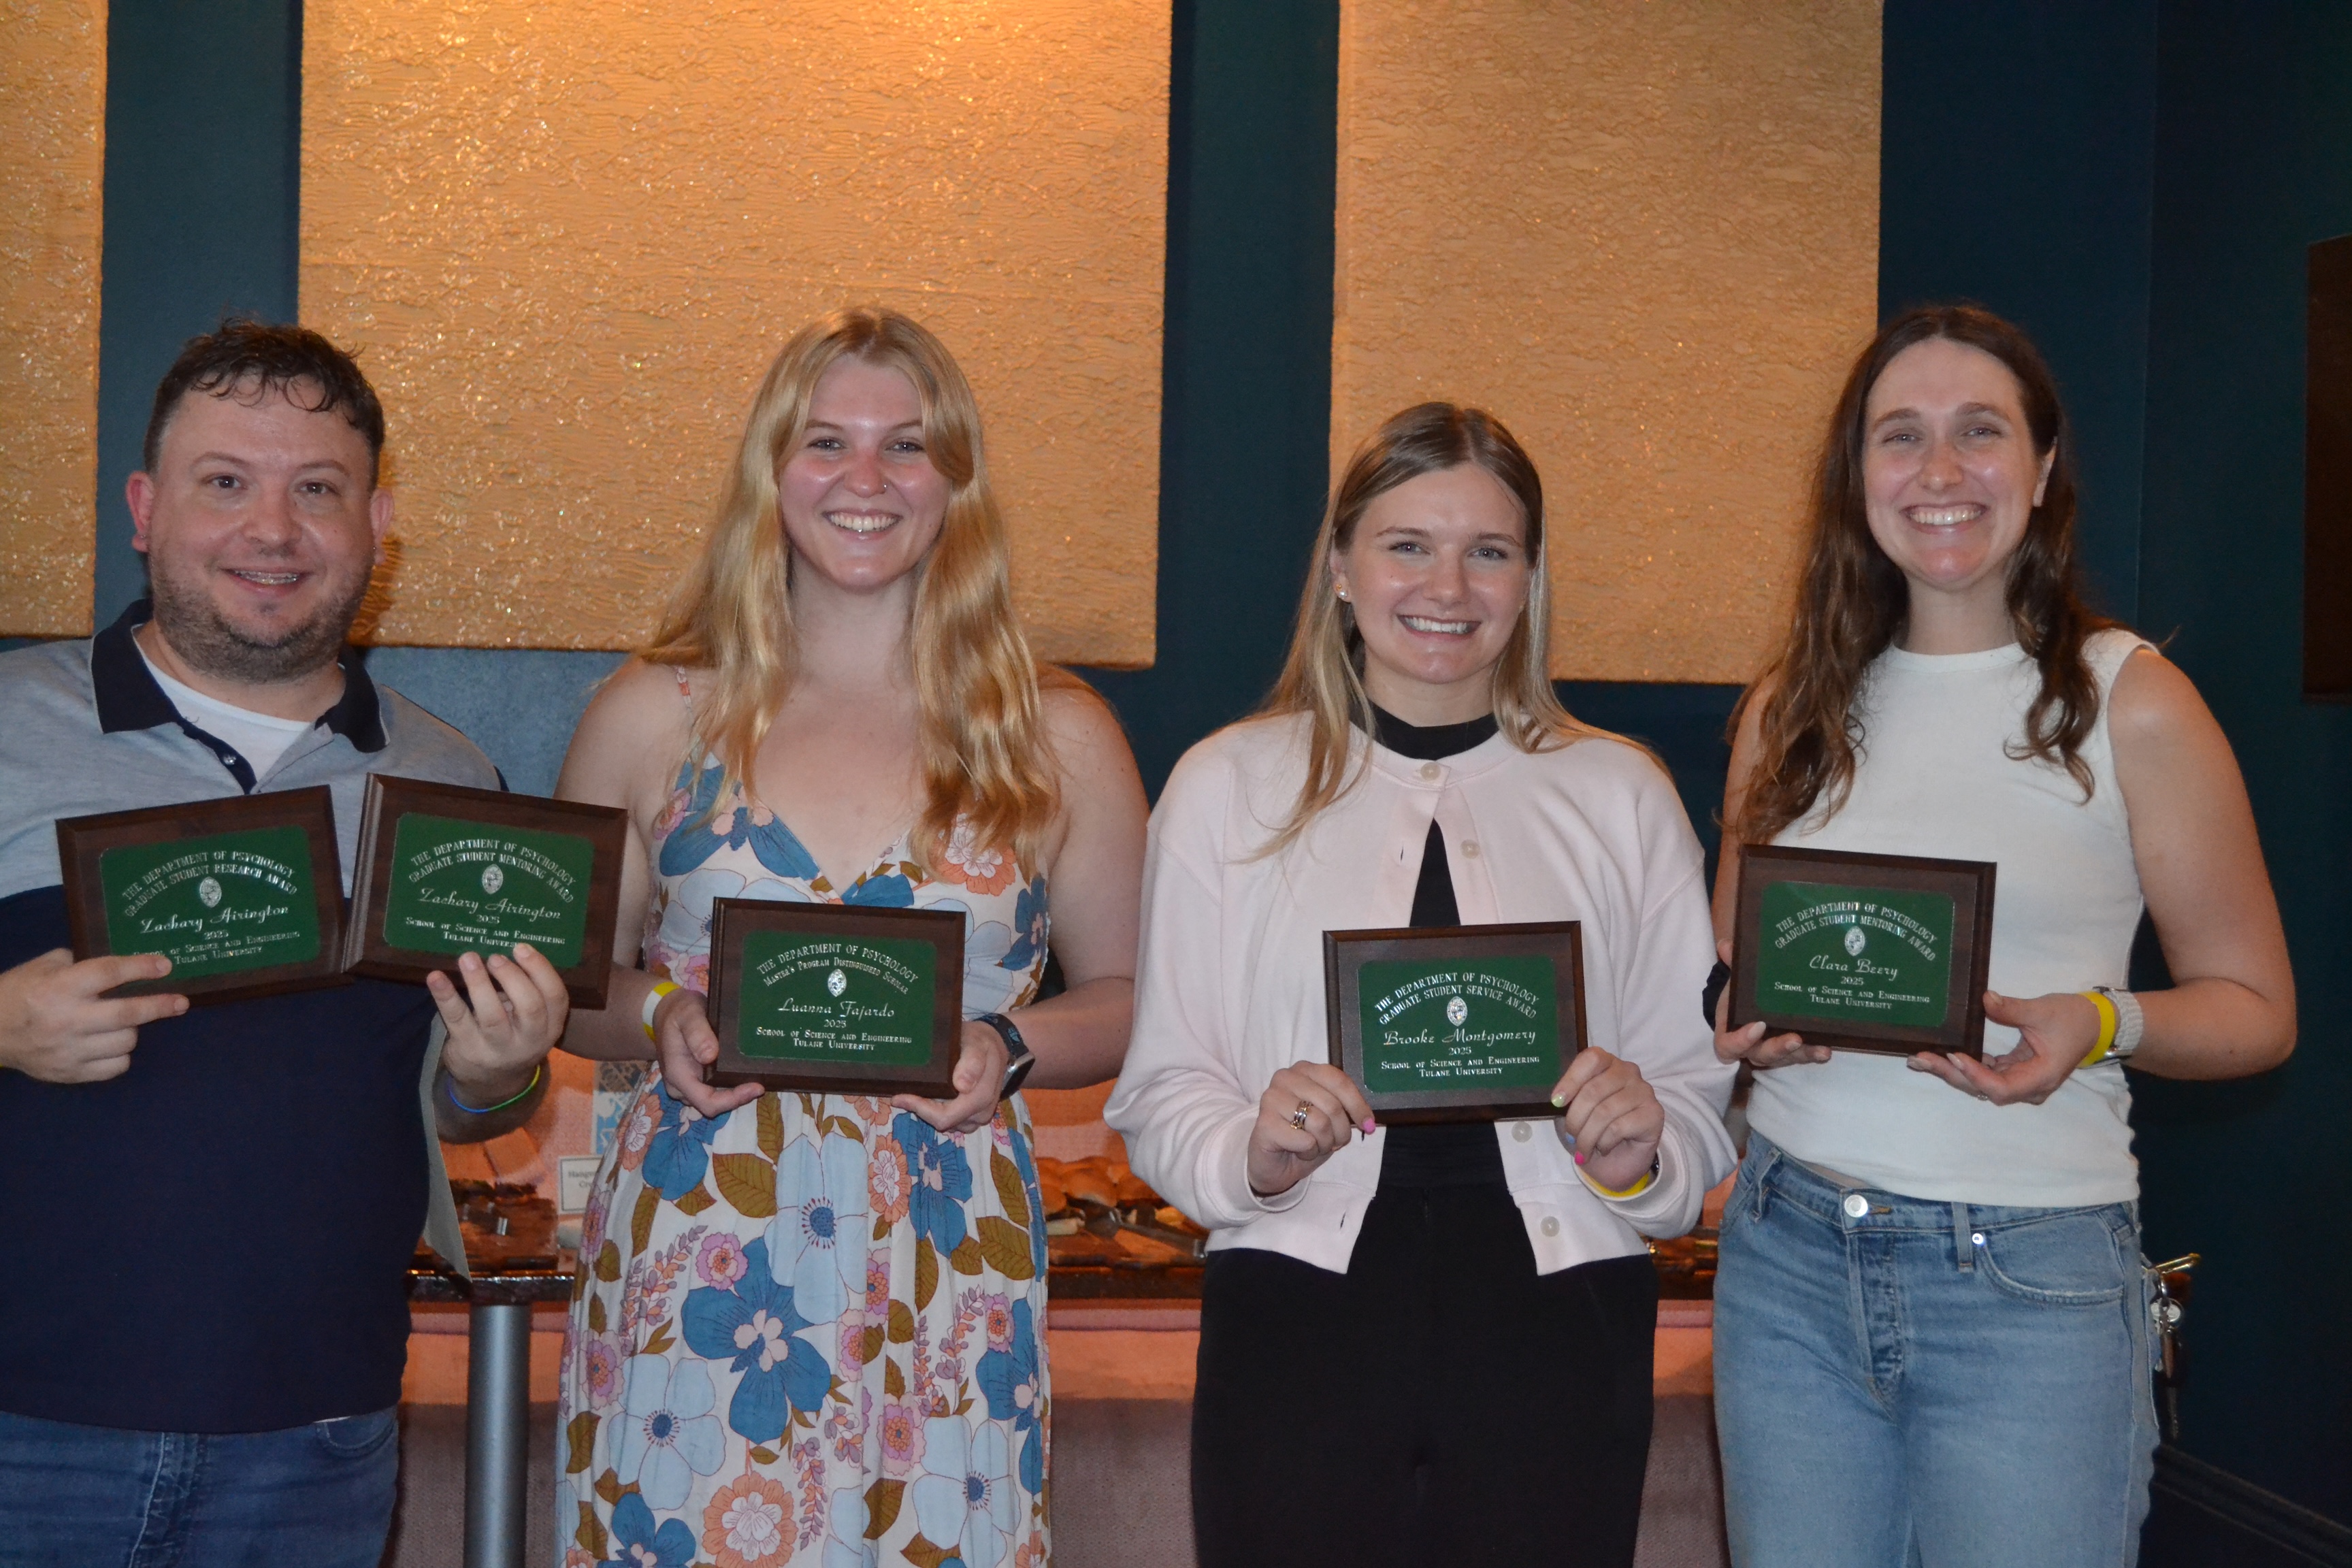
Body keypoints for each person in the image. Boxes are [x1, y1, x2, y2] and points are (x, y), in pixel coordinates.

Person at [551, 306, 1146, 1568]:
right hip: (698, 1252)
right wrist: (665, 1018)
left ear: (957, 484)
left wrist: (1011, 1045)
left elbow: (1135, 998)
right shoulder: (654, 714)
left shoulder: (1057, 734)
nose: (865, 481)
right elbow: (564, 983)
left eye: (908, 448)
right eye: (826, 442)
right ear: (773, 469)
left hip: (950, 1259)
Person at [1708, 306, 2298, 1568]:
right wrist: (1749, 1031)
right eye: (1899, 436)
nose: (1938, 472)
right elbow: (1736, 982)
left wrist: (2099, 1023)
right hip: (1787, 1259)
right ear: (1854, 476)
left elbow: (2254, 1008)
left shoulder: (2132, 700)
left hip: (2031, 1278)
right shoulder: (1785, 713)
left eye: (1981, 433)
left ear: (2040, 471)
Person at [1105, 402, 1737, 1567]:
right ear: (1341, 567)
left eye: (1488, 551)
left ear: (1529, 578)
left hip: (1562, 1323)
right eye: (1407, 545)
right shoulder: (1225, 784)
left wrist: (1641, 1147)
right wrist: (1252, 1149)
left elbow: (1697, 1098)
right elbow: (1163, 1088)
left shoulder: (1620, 793)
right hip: (1300, 1316)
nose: (1448, 585)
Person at [0, 321, 572, 1567]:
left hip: (317, 1444)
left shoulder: (446, 778)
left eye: (318, 489)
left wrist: (496, 1073)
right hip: (20, 1437)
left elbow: (466, 1106)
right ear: (145, 510)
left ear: (374, 526)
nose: (274, 530)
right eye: (227, 483)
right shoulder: (7, 724)